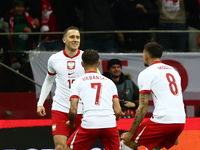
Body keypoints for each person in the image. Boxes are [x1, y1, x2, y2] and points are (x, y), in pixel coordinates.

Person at [121, 42, 186, 150]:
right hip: (180, 122)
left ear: (146, 55)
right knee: (155, 147)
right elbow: (176, 99)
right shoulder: (173, 71)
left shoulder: (147, 73)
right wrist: (176, 131)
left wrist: (130, 133)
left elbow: (142, 107)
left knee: (125, 145)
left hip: (163, 121)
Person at [37, 26, 85, 150]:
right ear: (64, 40)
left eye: (78, 37)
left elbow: (97, 81)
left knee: (76, 147)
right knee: (60, 146)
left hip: (82, 109)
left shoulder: (87, 58)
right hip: (60, 108)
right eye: (72, 37)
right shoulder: (54, 59)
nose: (75, 40)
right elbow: (48, 81)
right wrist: (40, 103)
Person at [64, 49, 122, 150]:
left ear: (82, 64)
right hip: (109, 124)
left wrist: (71, 123)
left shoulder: (78, 82)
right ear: (98, 63)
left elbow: (73, 111)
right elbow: (118, 111)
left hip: (90, 123)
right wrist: (110, 120)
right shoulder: (109, 82)